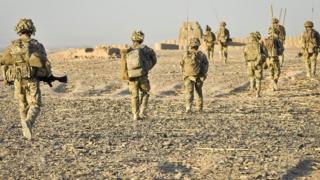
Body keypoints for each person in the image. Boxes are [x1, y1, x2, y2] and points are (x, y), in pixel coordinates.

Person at [0, 18, 52, 140]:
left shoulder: (12, 46)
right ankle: (28, 123)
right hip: (32, 79)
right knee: (35, 104)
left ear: (18, 30)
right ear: (31, 30)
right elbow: (45, 62)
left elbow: (3, 60)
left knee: (22, 105)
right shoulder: (37, 45)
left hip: (18, 80)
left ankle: (26, 131)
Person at [120, 31, 157, 120]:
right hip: (142, 75)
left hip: (131, 76)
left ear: (132, 39)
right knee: (146, 92)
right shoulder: (146, 49)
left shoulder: (128, 50)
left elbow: (123, 63)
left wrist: (126, 75)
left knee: (134, 95)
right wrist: (147, 68)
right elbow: (154, 60)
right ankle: (142, 112)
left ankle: (135, 115)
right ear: (142, 39)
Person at [180, 37, 208, 113]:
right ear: (198, 45)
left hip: (188, 76)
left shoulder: (185, 54)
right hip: (198, 76)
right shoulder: (201, 54)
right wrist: (204, 75)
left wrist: (183, 74)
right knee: (198, 92)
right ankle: (199, 108)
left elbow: (181, 64)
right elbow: (205, 65)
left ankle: (188, 108)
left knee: (189, 92)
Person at [243, 32, 267, 97]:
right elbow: (265, 54)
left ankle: (251, 91)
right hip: (258, 64)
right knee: (258, 79)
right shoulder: (259, 45)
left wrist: (247, 63)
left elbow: (244, 54)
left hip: (249, 64)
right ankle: (257, 94)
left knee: (251, 78)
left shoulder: (247, 45)